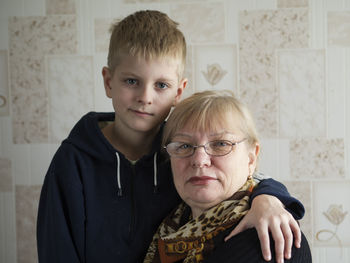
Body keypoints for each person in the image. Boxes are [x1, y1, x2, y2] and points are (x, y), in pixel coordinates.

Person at [37, 10, 304, 263]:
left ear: (179, 91)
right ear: (108, 81)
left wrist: (268, 200)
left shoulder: (182, 150)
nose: (145, 97)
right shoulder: (73, 161)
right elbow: (56, 247)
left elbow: (248, 175)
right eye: (131, 81)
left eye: (161, 85)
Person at [144, 90, 312, 263]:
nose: (199, 161)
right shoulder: (168, 223)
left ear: (251, 158)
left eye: (220, 144)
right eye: (184, 145)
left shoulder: (273, 239)